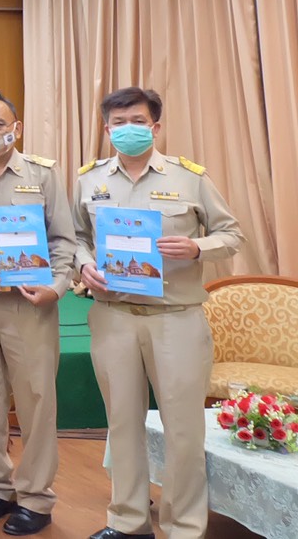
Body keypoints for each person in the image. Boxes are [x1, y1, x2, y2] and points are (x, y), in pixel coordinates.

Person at [73, 87, 243, 539]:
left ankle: (185, 526)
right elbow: (73, 237)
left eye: (137, 121)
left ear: (156, 126)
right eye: (118, 123)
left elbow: (231, 234)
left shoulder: (190, 178)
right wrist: (84, 263)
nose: (127, 130)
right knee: (122, 424)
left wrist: (196, 247)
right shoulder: (89, 179)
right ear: (107, 129)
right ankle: (127, 522)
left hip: (177, 318)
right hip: (113, 317)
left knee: (183, 430)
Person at [0, 91, 76, 536]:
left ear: (16, 128)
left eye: (0, 124)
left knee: (36, 402)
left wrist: (56, 288)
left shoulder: (42, 175)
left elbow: (65, 239)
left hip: (31, 306)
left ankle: (37, 498)